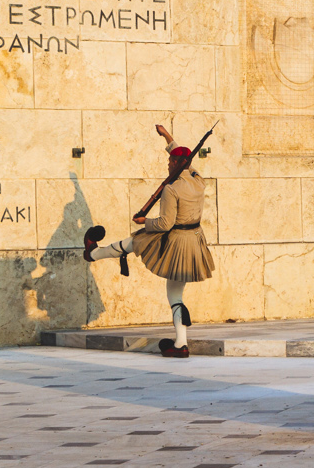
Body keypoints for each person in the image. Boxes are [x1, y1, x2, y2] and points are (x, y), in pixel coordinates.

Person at [84, 124, 216, 356]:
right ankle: (180, 344)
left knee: (139, 241)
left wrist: (145, 220)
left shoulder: (171, 189)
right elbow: (187, 160)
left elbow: (165, 223)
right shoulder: (198, 180)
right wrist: (167, 137)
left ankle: (93, 254)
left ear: (175, 164)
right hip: (194, 240)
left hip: (176, 241)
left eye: (170, 162)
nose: (168, 165)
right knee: (170, 287)